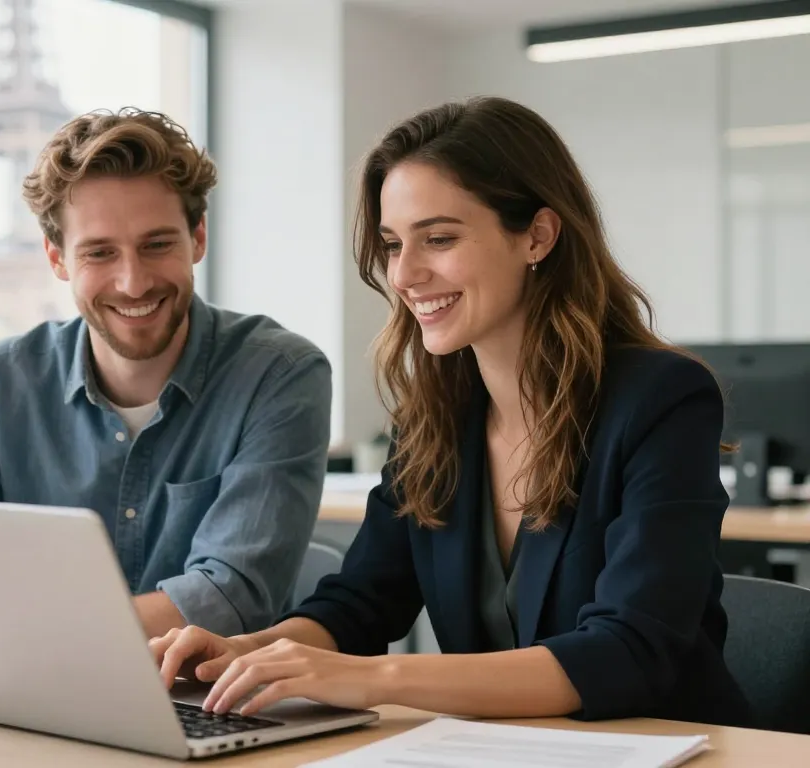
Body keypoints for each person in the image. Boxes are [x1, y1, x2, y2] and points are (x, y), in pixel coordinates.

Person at [150, 96, 753, 728]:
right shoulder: (436, 419)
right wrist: (247, 653)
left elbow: (627, 652)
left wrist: (369, 678)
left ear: (537, 236)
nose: (405, 274)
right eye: (391, 244)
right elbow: (361, 603)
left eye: (439, 238)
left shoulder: (661, 399)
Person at [0, 108, 332, 664]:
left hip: (207, 703)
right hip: (22, 696)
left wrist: (1, 634)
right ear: (57, 258)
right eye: (100, 252)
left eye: (156, 245)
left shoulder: (281, 374)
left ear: (197, 238)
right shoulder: (0, 381)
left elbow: (229, 596)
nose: (133, 281)